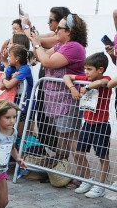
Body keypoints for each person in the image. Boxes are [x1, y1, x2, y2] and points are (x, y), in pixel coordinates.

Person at [31, 13, 87, 162]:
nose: (56, 31)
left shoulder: (74, 47)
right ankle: (62, 171)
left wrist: (37, 44)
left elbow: (48, 62)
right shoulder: (61, 45)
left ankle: (82, 177)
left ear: (69, 31)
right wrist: (34, 42)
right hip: (58, 98)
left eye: (60, 28)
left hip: (69, 98)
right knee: (62, 136)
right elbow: (40, 56)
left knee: (72, 139)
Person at [66, 52, 112, 198]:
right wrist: (73, 88)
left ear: (100, 69)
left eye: (89, 69)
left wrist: (89, 87)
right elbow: (67, 77)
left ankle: (101, 185)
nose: (86, 72)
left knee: (102, 156)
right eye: (85, 69)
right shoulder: (86, 79)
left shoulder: (106, 79)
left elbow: (103, 82)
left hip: (101, 124)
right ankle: (88, 179)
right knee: (79, 152)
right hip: (87, 123)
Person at [0, 46, 34, 136]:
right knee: (11, 129)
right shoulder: (11, 67)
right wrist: (10, 78)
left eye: (9, 56)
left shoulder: (25, 69)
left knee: (19, 133)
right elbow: (2, 87)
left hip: (26, 103)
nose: (7, 58)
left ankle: (20, 147)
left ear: (17, 59)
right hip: (15, 101)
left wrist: (4, 79)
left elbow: (8, 84)